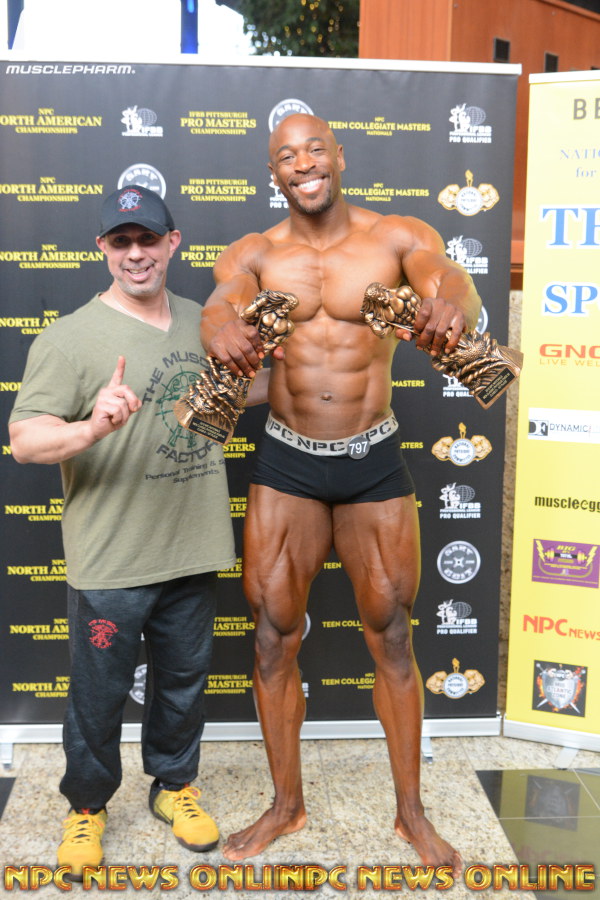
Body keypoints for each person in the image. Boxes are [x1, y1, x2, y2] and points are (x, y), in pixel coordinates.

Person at [199, 114, 482, 875]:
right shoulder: (257, 253)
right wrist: (218, 328)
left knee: (391, 634)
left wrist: (454, 303)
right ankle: (286, 806)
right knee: (271, 636)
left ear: (339, 156)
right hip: (287, 463)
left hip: (371, 461)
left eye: (314, 149)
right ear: (274, 173)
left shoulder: (394, 237)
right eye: (286, 156)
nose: (303, 164)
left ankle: (410, 813)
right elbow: (222, 302)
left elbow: (447, 278)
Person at [8, 185, 266, 880]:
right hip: (112, 560)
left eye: (147, 238)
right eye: (121, 241)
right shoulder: (68, 339)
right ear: (103, 249)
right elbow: (25, 441)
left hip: (192, 547)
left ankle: (174, 787)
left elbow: (246, 388)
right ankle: (87, 805)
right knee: (97, 697)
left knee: (183, 686)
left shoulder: (206, 322)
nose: (136, 254)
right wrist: (92, 426)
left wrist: (297, 364)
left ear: (172, 242)